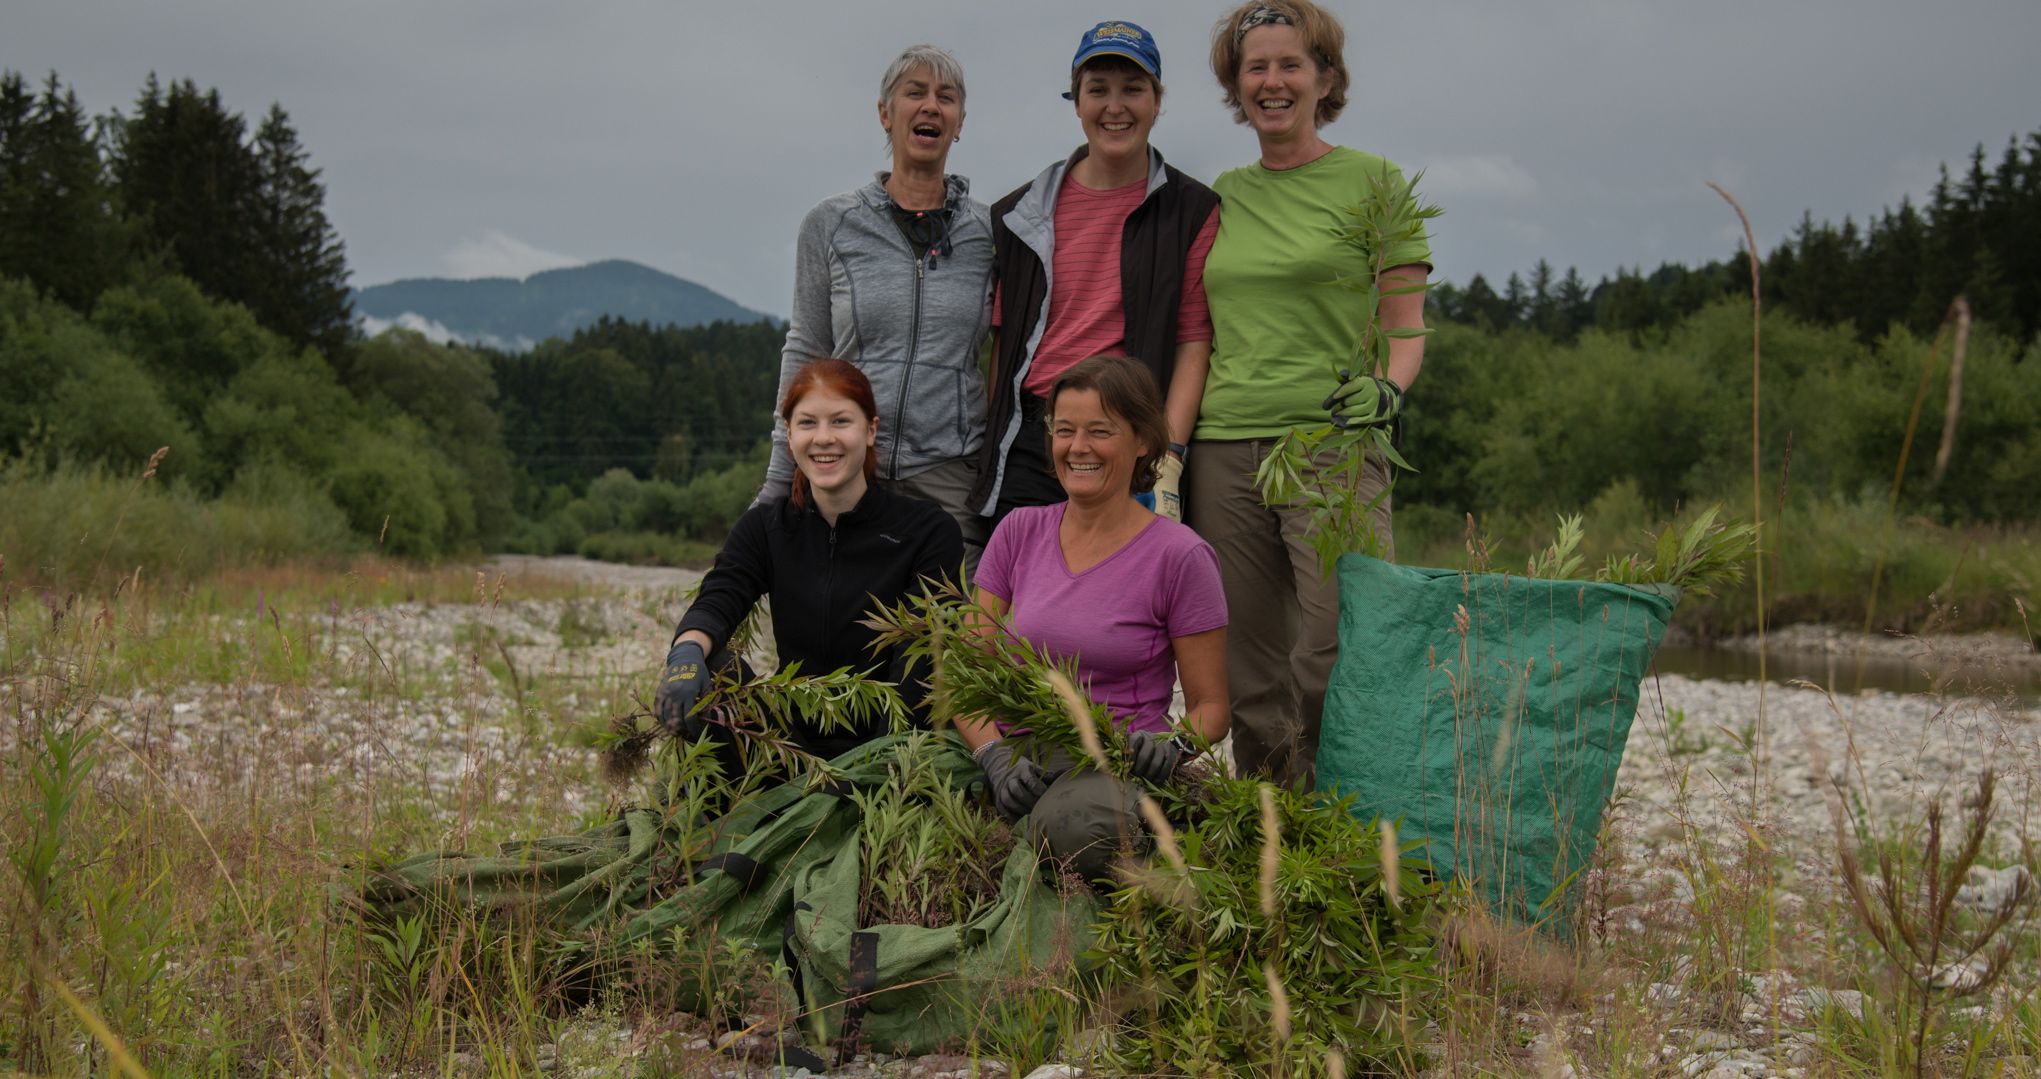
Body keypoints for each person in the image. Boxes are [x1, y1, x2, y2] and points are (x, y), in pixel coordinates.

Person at [1189, 0, 1433, 787]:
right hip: (1222, 449)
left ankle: (1356, 818)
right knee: (1248, 660)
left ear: (1324, 77)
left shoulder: (1375, 182)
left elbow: (1404, 326)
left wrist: (1385, 391)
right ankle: (1273, 833)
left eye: (1289, 64)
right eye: (1255, 67)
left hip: (1331, 444)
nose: (1271, 81)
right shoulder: (1219, 196)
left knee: (1340, 646)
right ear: (1236, 84)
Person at [958, 356, 1228, 882]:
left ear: (1143, 440)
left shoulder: (1181, 556)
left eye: (1099, 432)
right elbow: (964, 673)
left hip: (1108, 762)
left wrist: (1172, 749)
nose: (1077, 448)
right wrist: (992, 754)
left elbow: (1212, 707)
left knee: (1076, 830)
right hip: (1019, 755)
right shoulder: (1018, 530)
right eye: (1064, 431)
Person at [971, 20, 1220, 528]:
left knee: (1115, 601)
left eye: (1133, 89)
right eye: (1098, 90)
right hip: (1035, 431)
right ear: (1077, 100)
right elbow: (1005, 344)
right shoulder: (1019, 212)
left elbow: (1193, 341)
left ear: (1157, 100)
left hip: (1129, 434)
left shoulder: (1192, 210)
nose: (1115, 106)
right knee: (1017, 597)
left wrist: (1167, 458)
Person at [659, 359, 964, 773]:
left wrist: (872, 776)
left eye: (840, 421)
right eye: (807, 424)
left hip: (888, 754)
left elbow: (918, 667)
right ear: (789, 436)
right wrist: (685, 654)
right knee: (712, 666)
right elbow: (721, 595)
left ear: (870, 430)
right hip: (787, 749)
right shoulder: (767, 527)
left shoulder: (928, 532)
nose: (824, 439)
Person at [762, 44, 995, 569]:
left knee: (951, 642)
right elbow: (806, 350)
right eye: (914, 93)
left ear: (960, 123)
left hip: (950, 475)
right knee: (842, 636)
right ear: (885, 114)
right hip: (846, 468)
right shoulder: (832, 225)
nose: (931, 106)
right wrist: (780, 476)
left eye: (946, 97)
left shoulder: (991, 233)